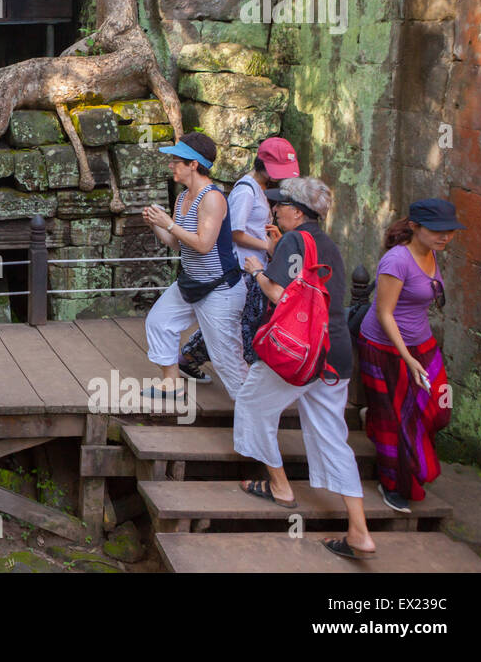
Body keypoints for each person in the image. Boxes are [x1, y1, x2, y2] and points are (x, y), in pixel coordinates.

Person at [233, 176, 374, 560]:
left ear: (297, 212)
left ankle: (279, 485)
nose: (274, 209)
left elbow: (280, 295)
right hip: (336, 354)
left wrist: (257, 269)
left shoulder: (294, 241)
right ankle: (359, 530)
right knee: (332, 437)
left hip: (298, 352)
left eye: (280, 205)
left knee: (252, 405)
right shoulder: (328, 244)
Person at [357, 198, 462, 513]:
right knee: (394, 420)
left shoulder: (431, 252)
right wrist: (407, 358)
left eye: (450, 231)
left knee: (438, 410)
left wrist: (417, 355)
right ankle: (392, 485)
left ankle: (372, 419)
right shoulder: (397, 260)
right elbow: (384, 313)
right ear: (415, 227)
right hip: (384, 347)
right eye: (437, 231)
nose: (445, 237)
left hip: (422, 345)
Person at [179, 137, 301, 383]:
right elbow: (234, 231)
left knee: (236, 321)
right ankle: (204, 361)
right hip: (243, 266)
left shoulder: (260, 189)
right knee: (242, 322)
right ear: (261, 164)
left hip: (254, 264)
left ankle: (191, 357)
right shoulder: (245, 191)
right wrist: (267, 246)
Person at [141, 132, 247, 399]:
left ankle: (252, 409)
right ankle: (171, 383)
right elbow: (178, 244)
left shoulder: (212, 198)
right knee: (159, 322)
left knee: (226, 358)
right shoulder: (182, 198)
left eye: (177, 160)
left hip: (220, 288)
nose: (171, 165)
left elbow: (203, 245)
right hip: (192, 281)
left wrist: (168, 223)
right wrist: (156, 223)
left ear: (194, 164)